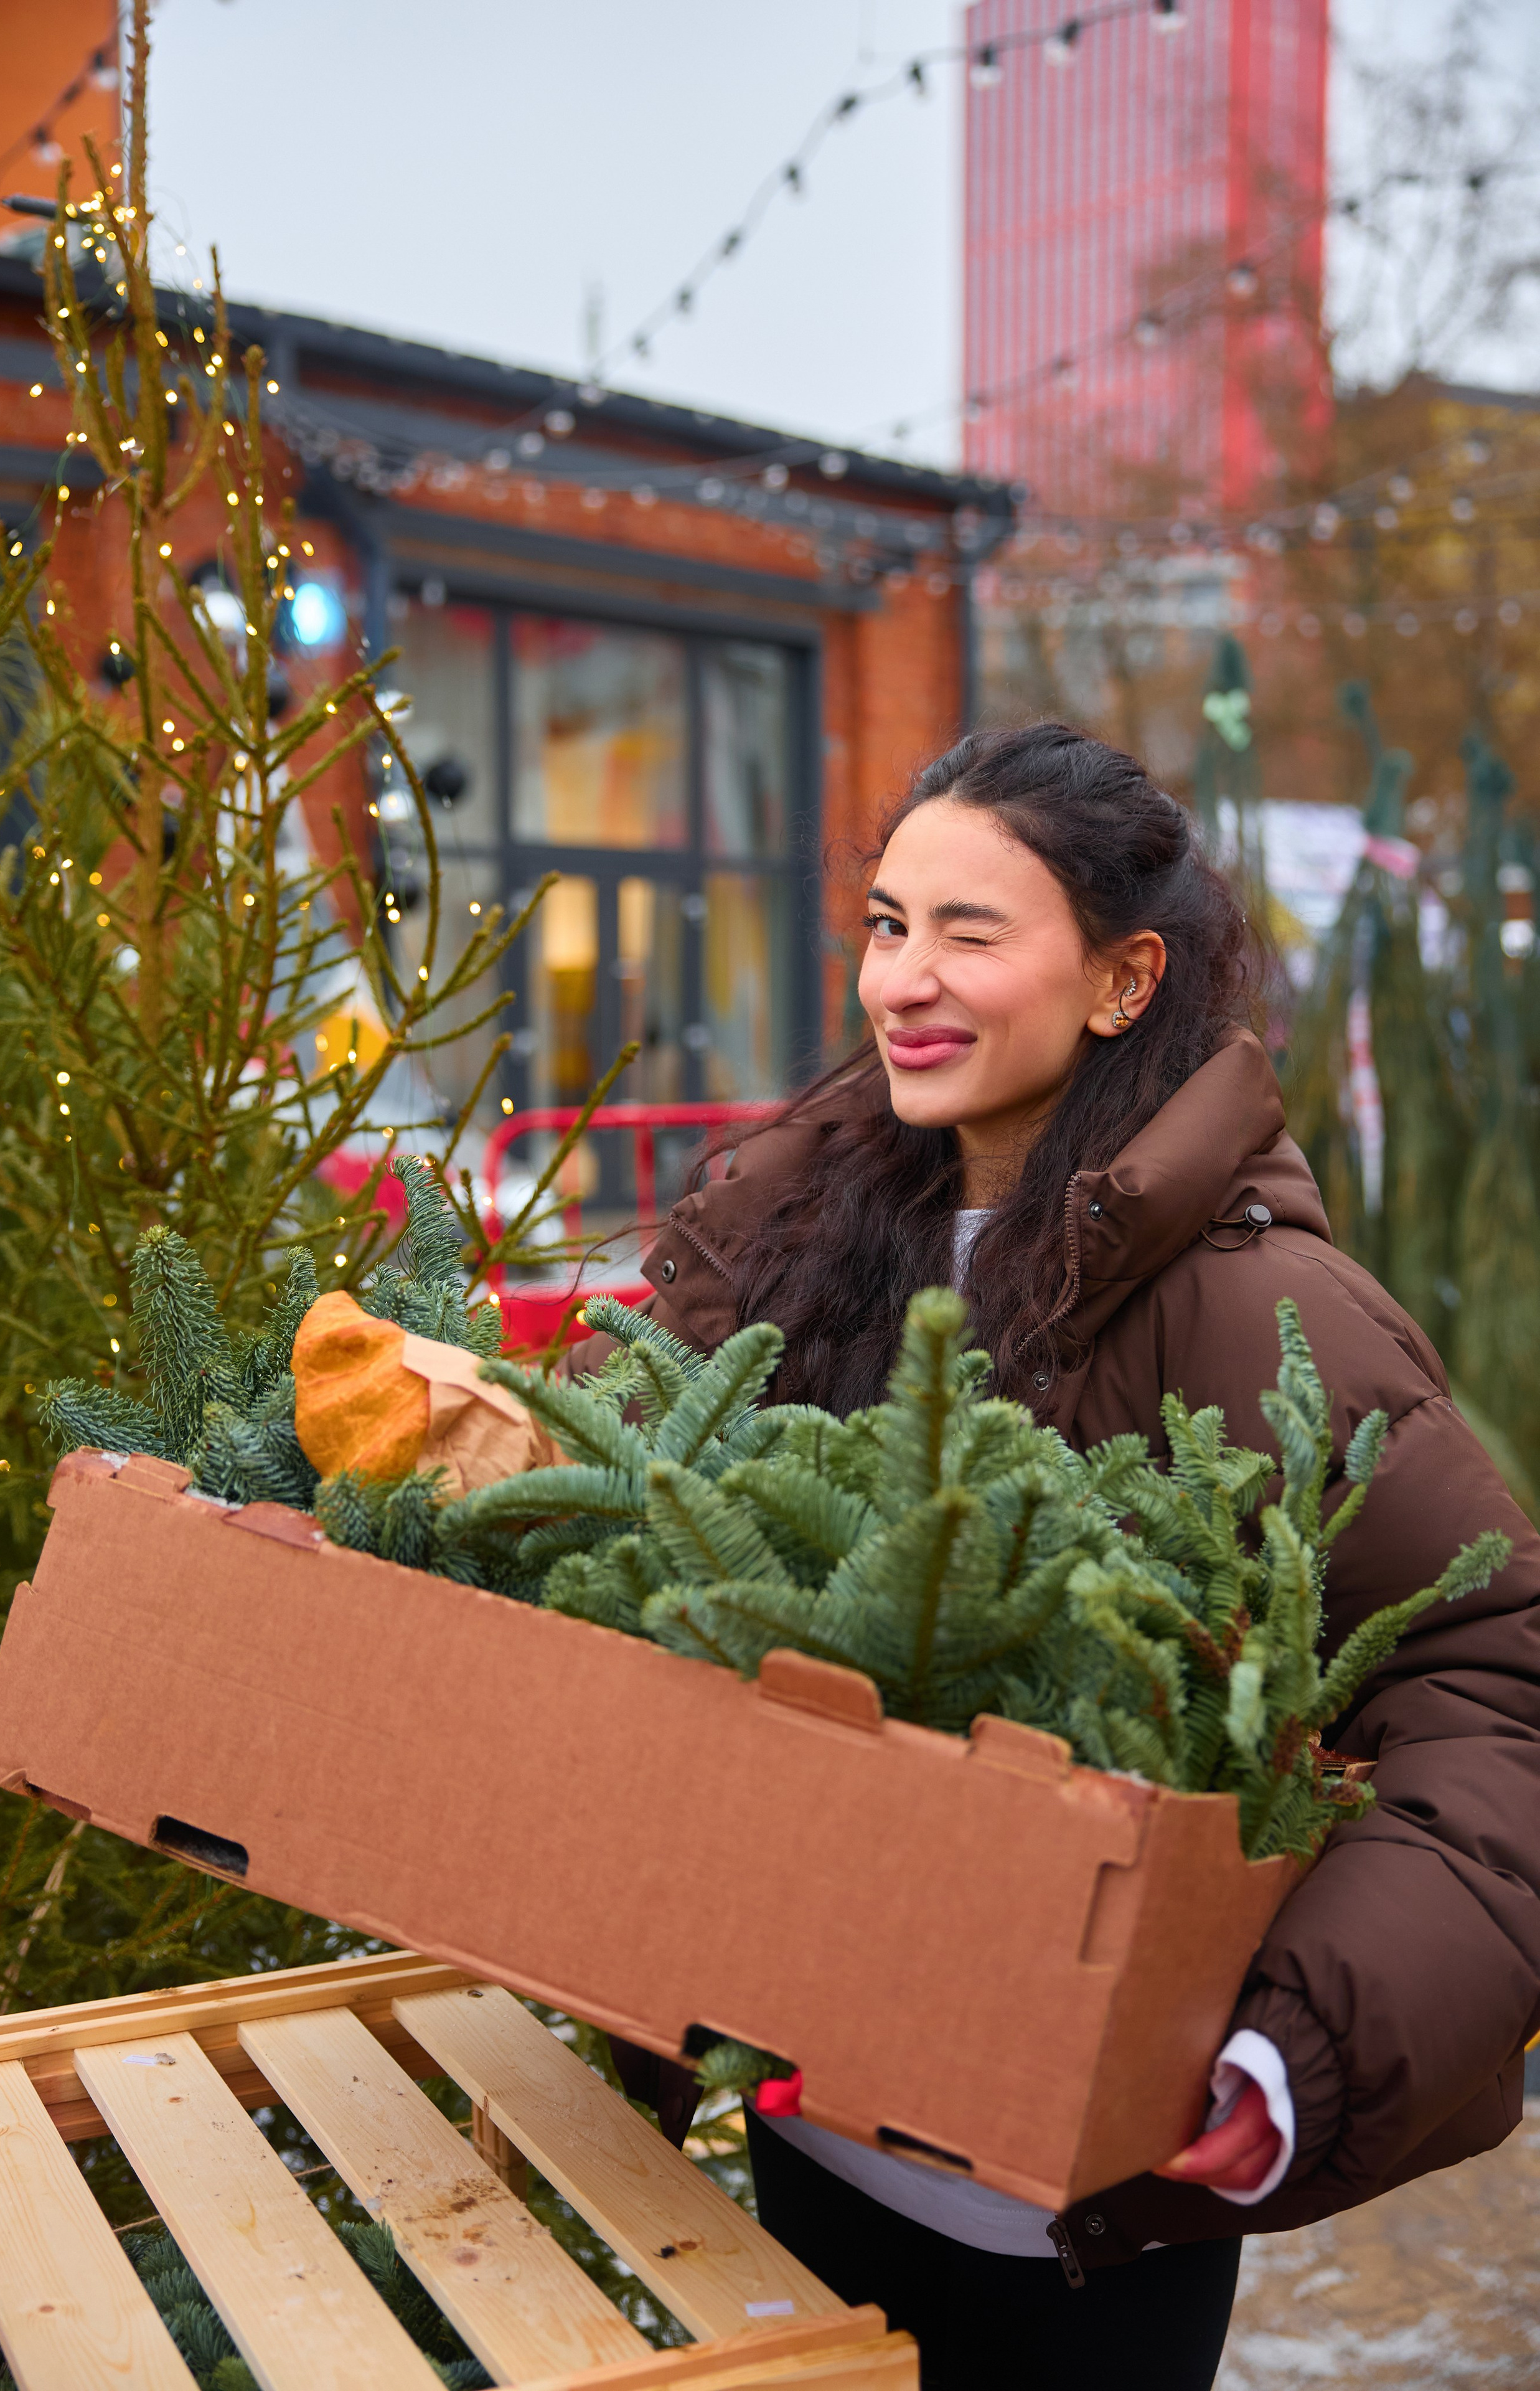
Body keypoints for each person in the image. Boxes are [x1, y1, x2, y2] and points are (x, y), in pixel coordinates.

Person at [608, 725, 1540, 2390]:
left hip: (1081, 2219)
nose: (906, 978)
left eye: (973, 932)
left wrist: (1288, 2049)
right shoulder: (777, 1249)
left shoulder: (1264, 1311)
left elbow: (1496, 1692)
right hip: (805, 2127)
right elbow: (607, 1511)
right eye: (890, 925)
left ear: (1124, 982)